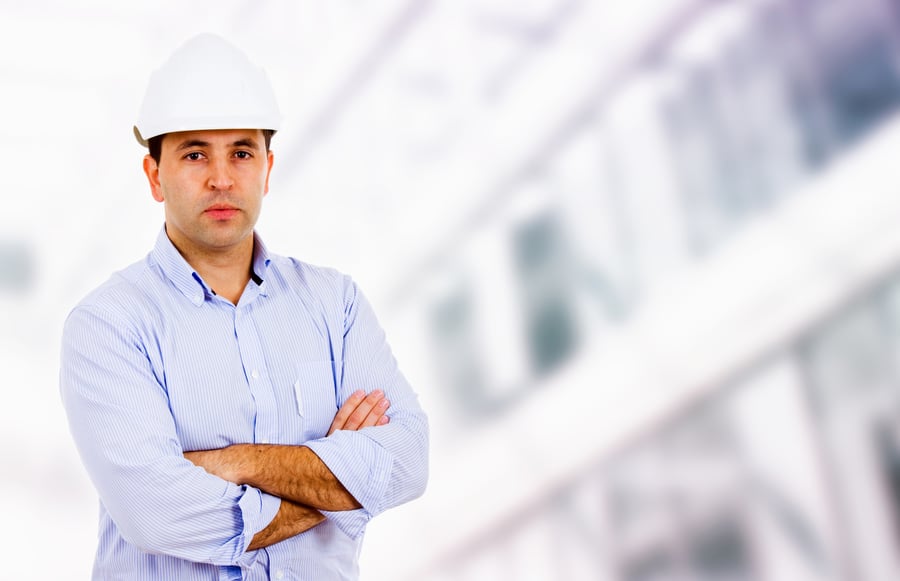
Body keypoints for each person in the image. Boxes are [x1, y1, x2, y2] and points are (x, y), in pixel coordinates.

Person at [59, 33, 429, 581]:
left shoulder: (336, 305)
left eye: (241, 151)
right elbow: (157, 513)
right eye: (194, 154)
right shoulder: (109, 325)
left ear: (268, 168)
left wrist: (236, 463)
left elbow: (406, 462)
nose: (222, 178)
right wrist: (340, 477)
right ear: (154, 175)